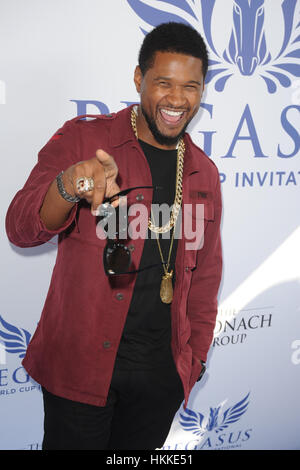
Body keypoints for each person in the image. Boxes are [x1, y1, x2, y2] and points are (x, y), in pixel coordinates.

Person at [6, 22, 222, 450]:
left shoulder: (204, 172)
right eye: (164, 83)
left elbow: (205, 276)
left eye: (191, 86)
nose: (177, 99)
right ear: (139, 79)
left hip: (159, 381)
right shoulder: (86, 138)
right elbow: (20, 228)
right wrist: (69, 185)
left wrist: (193, 361)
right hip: (81, 374)